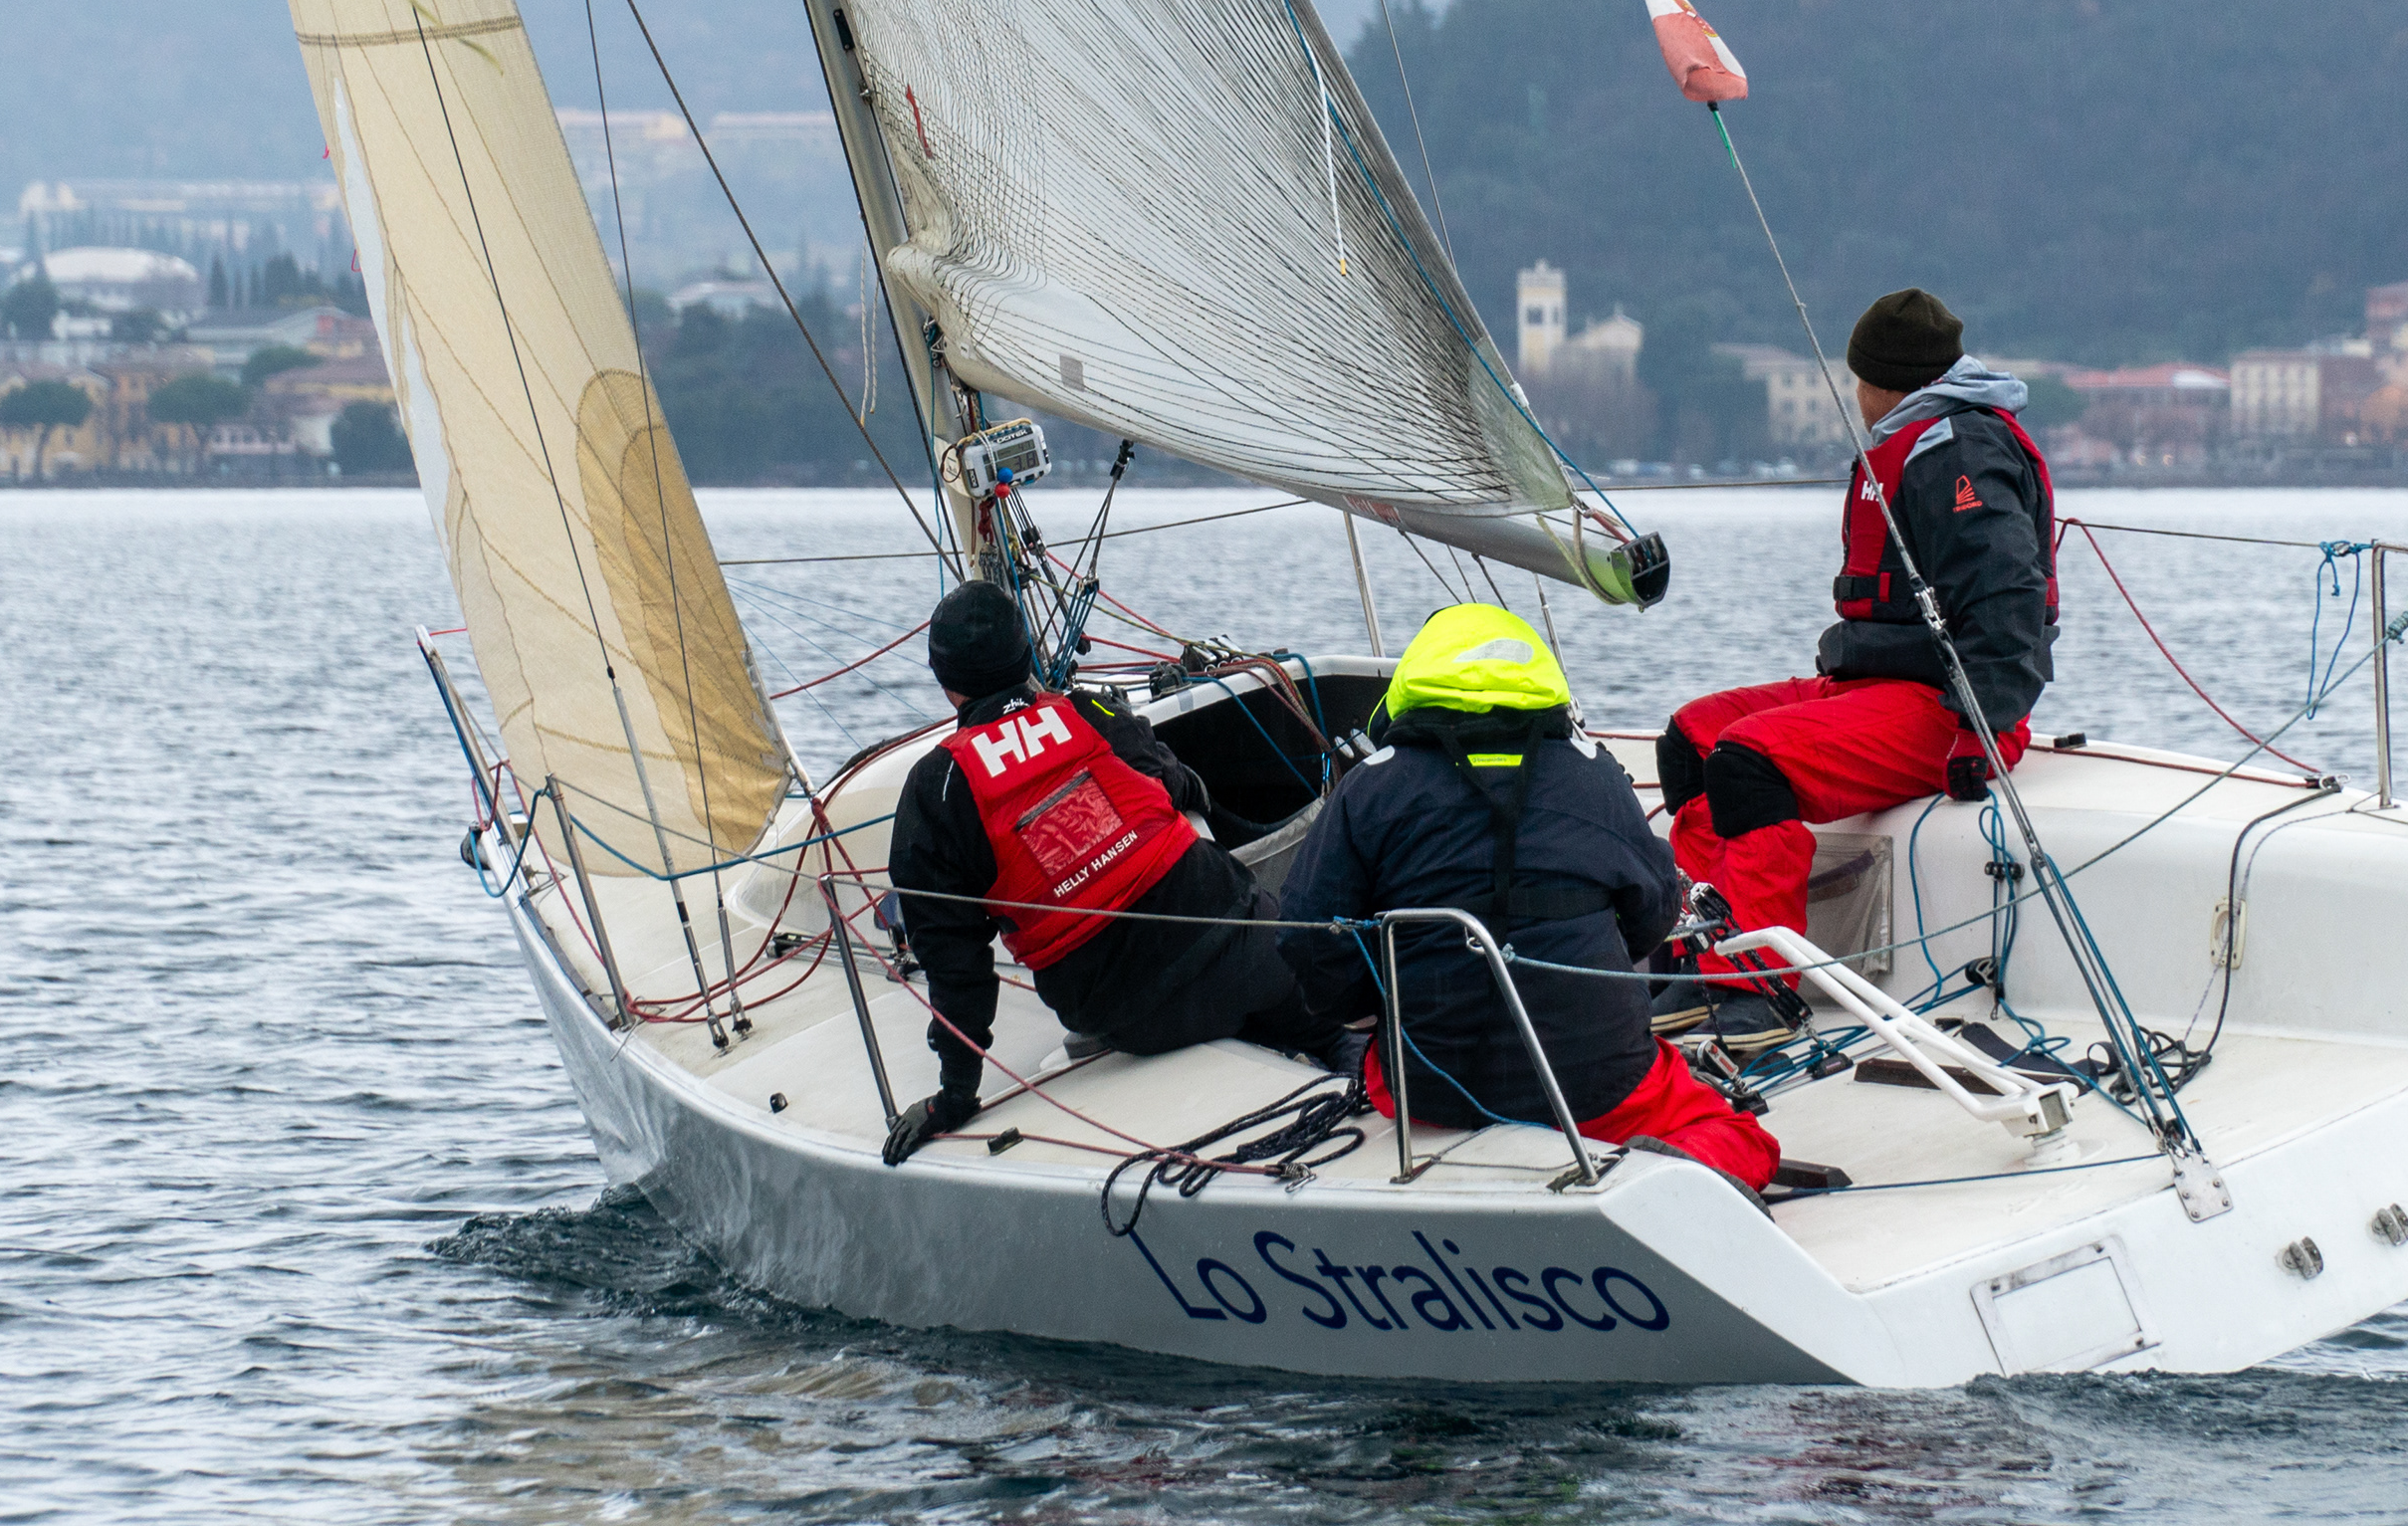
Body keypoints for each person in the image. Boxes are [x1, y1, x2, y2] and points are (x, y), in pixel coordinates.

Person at [1277, 603, 1788, 1199]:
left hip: (1427, 1093)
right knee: (1743, 1135)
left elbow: (1308, 938)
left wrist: (1376, 1011)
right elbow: (1651, 914)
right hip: (1597, 1087)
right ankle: (1659, 1185)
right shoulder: (1594, 774)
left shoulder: (1371, 786)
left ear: (1415, 684)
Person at [1659, 287, 2060, 958]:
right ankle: (1700, 950)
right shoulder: (1912, 440)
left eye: (1860, 381)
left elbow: (2009, 601)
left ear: (1885, 385)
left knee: (1747, 763)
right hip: (1874, 684)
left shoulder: (1959, 452)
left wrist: (1977, 727)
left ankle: (1757, 983)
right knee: (1693, 740)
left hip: (1951, 711)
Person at [879, 580, 1330, 1164]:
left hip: (1130, 1016)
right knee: (1315, 1018)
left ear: (947, 686)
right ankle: (1342, 1057)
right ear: (1028, 660)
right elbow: (1176, 784)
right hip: (1253, 956)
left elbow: (952, 960)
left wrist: (955, 1096)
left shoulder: (937, 788)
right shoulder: (1090, 711)